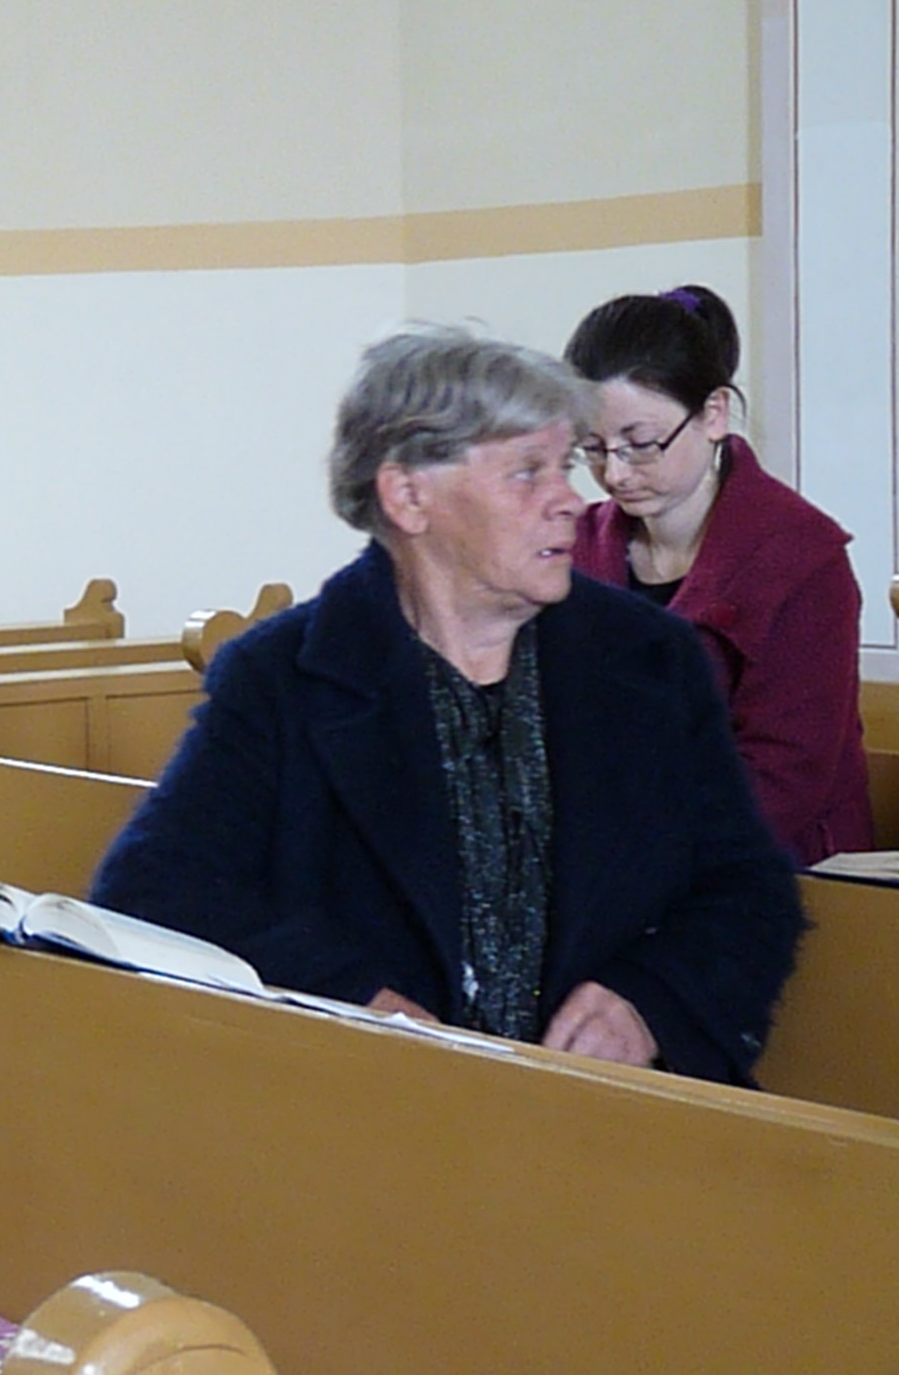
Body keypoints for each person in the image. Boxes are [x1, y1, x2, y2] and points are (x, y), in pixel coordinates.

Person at [90, 329, 804, 1085]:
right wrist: (352, 999)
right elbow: (155, 890)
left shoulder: (649, 659)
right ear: (408, 496)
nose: (571, 501)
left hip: (614, 1109)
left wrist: (648, 1001)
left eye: (564, 467)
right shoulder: (282, 678)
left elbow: (748, 889)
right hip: (372, 1104)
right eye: (527, 472)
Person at [564, 285, 872, 867]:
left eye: (641, 444)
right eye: (594, 449)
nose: (616, 474)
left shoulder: (802, 558)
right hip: (614, 856)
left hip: (770, 867)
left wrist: (630, 849)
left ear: (713, 414)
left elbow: (784, 778)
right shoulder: (575, 545)